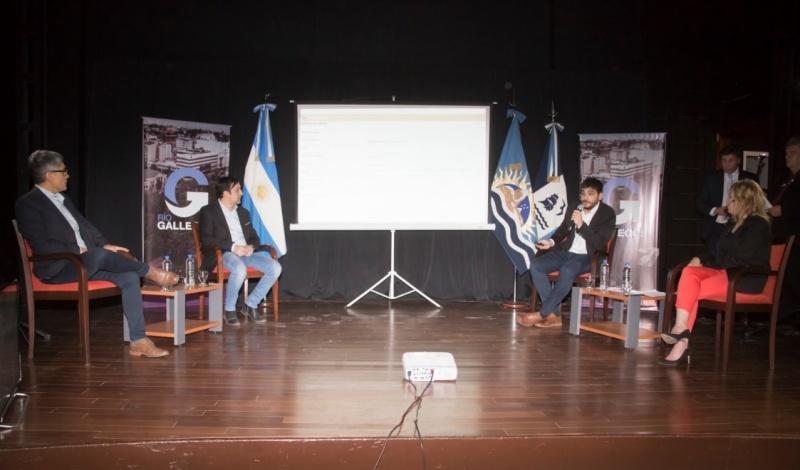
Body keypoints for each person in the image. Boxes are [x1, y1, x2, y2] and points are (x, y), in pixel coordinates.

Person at [15, 150, 179, 358]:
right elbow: (41, 245)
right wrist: (82, 250)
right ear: (49, 175)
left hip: (83, 263)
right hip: (58, 269)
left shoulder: (63, 199)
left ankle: (138, 340)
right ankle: (148, 270)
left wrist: (106, 245)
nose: (68, 175)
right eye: (64, 171)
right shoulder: (28, 203)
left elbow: (86, 226)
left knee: (128, 277)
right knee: (100, 256)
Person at [660, 179, 771, 366]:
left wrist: (708, 263)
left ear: (743, 200)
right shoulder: (732, 223)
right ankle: (681, 332)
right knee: (689, 271)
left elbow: (740, 258)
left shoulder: (759, 225)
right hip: (726, 272)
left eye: (731, 198)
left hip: (744, 277)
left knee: (689, 291)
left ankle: (681, 337)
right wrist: (701, 259)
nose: (727, 201)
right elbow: (717, 253)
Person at [516, 177, 616, 328]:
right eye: (583, 193)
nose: (585, 198)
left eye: (590, 194)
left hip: (589, 257)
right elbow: (563, 229)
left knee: (567, 270)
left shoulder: (607, 213)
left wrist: (582, 225)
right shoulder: (575, 206)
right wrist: (550, 242)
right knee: (536, 265)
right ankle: (554, 315)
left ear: (600, 196)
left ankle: (542, 313)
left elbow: (600, 244)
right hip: (568, 252)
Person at [198, 176, 282, 326]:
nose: (241, 193)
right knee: (239, 268)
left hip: (246, 253)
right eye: (237, 190)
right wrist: (233, 247)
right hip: (223, 253)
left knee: (275, 267)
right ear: (225, 193)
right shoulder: (208, 211)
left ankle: (250, 304)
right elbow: (207, 240)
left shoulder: (243, 213)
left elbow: (254, 238)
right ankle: (229, 309)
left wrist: (251, 247)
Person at [696, 146, 758, 252]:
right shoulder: (711, 178)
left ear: (738, 160)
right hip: (715, 227)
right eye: (724, 161)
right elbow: (700, 203)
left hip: (740, 226)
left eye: (731, 161)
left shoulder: (749, 179)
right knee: (714, 258)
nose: (727, 164)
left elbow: (755, 204)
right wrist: (716, 210)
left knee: (734, 258)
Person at [767, 136, 800, 323]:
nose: (788, 157)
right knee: (783, 277)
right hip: (780, 236)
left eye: (793, 153)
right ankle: (785, 319)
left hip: (795, 237)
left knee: (794, 277)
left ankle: (794, 319)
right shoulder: (786, 179)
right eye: (786, 153)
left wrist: (784, 210)